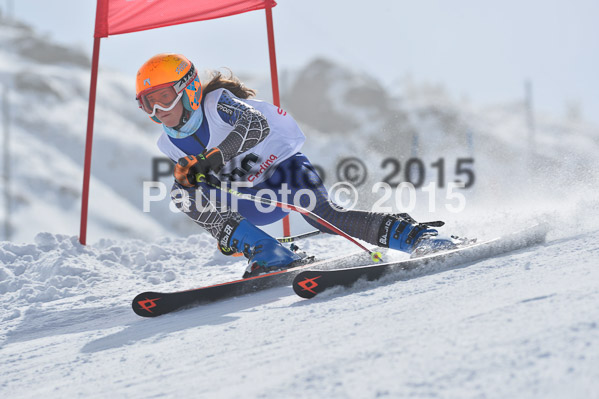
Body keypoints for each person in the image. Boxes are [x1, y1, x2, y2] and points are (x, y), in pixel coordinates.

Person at [135, 53, 458, 278]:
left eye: (164, 96)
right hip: (250, 199)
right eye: (148, 102)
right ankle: (268, 252)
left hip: (283, 173)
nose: (158, 109)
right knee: (181, 193)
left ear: (189, 88)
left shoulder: (217, 102)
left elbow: (255, 127)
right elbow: (199, 192)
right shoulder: (168, 143)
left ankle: (417, 236)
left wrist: (210, 160)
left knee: (327, 217)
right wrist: (197, 189)